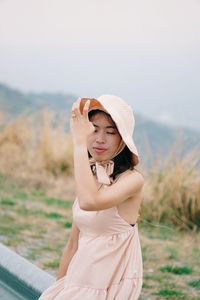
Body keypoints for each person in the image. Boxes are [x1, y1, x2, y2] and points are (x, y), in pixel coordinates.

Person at [38, 95, 144, 300]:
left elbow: (89, 202)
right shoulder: (91, 173)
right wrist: (59, 287)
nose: (100, 138)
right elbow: (72, 244)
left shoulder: (132, 180)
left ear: (123, 138)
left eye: (110, 132)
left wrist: (78, 143)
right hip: (78, 281)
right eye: (93, 129)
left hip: (108, 286)